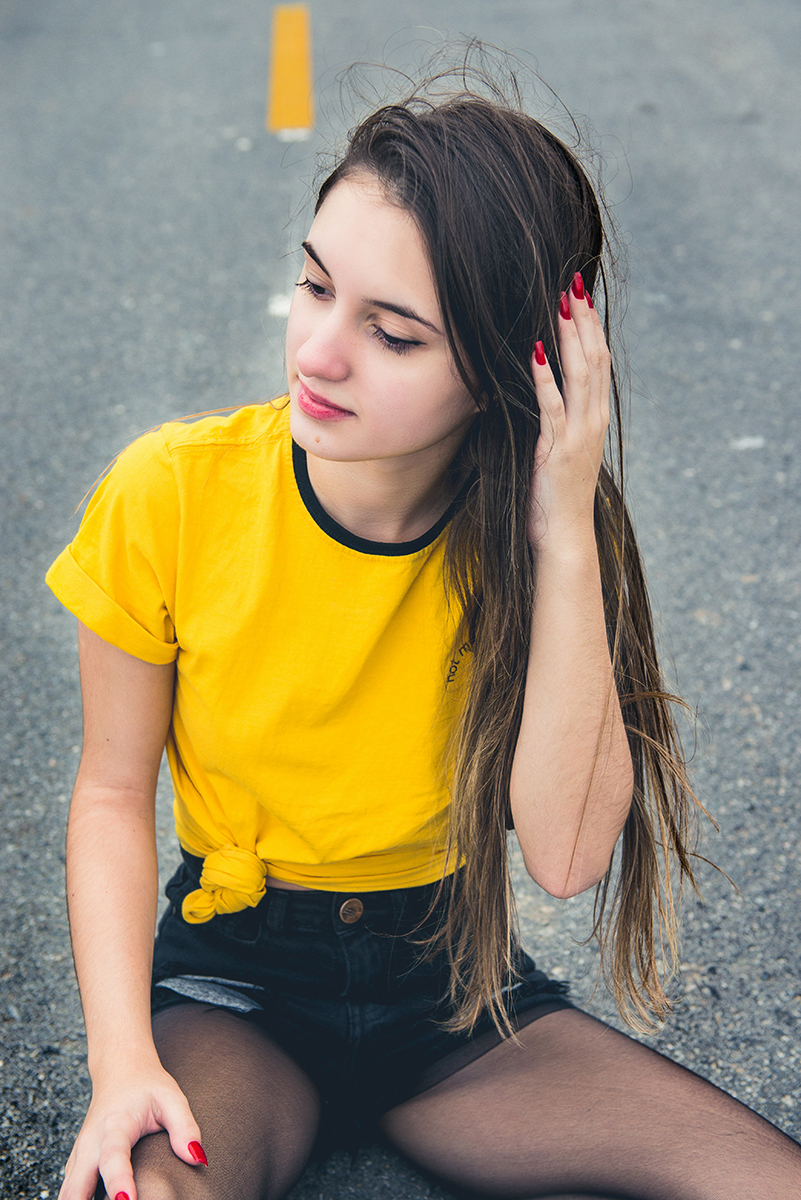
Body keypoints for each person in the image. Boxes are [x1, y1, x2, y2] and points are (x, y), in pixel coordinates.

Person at [47, 56, 801, 1200]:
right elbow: (109, 796)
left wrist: (564, 528)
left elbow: (564, 853)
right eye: (314, 287)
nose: (317, 351)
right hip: (237, 995)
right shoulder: (171, 494)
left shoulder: (528, 540)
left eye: (393, 335)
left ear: (513, 369)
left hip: (454, 997)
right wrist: (122, 1064)